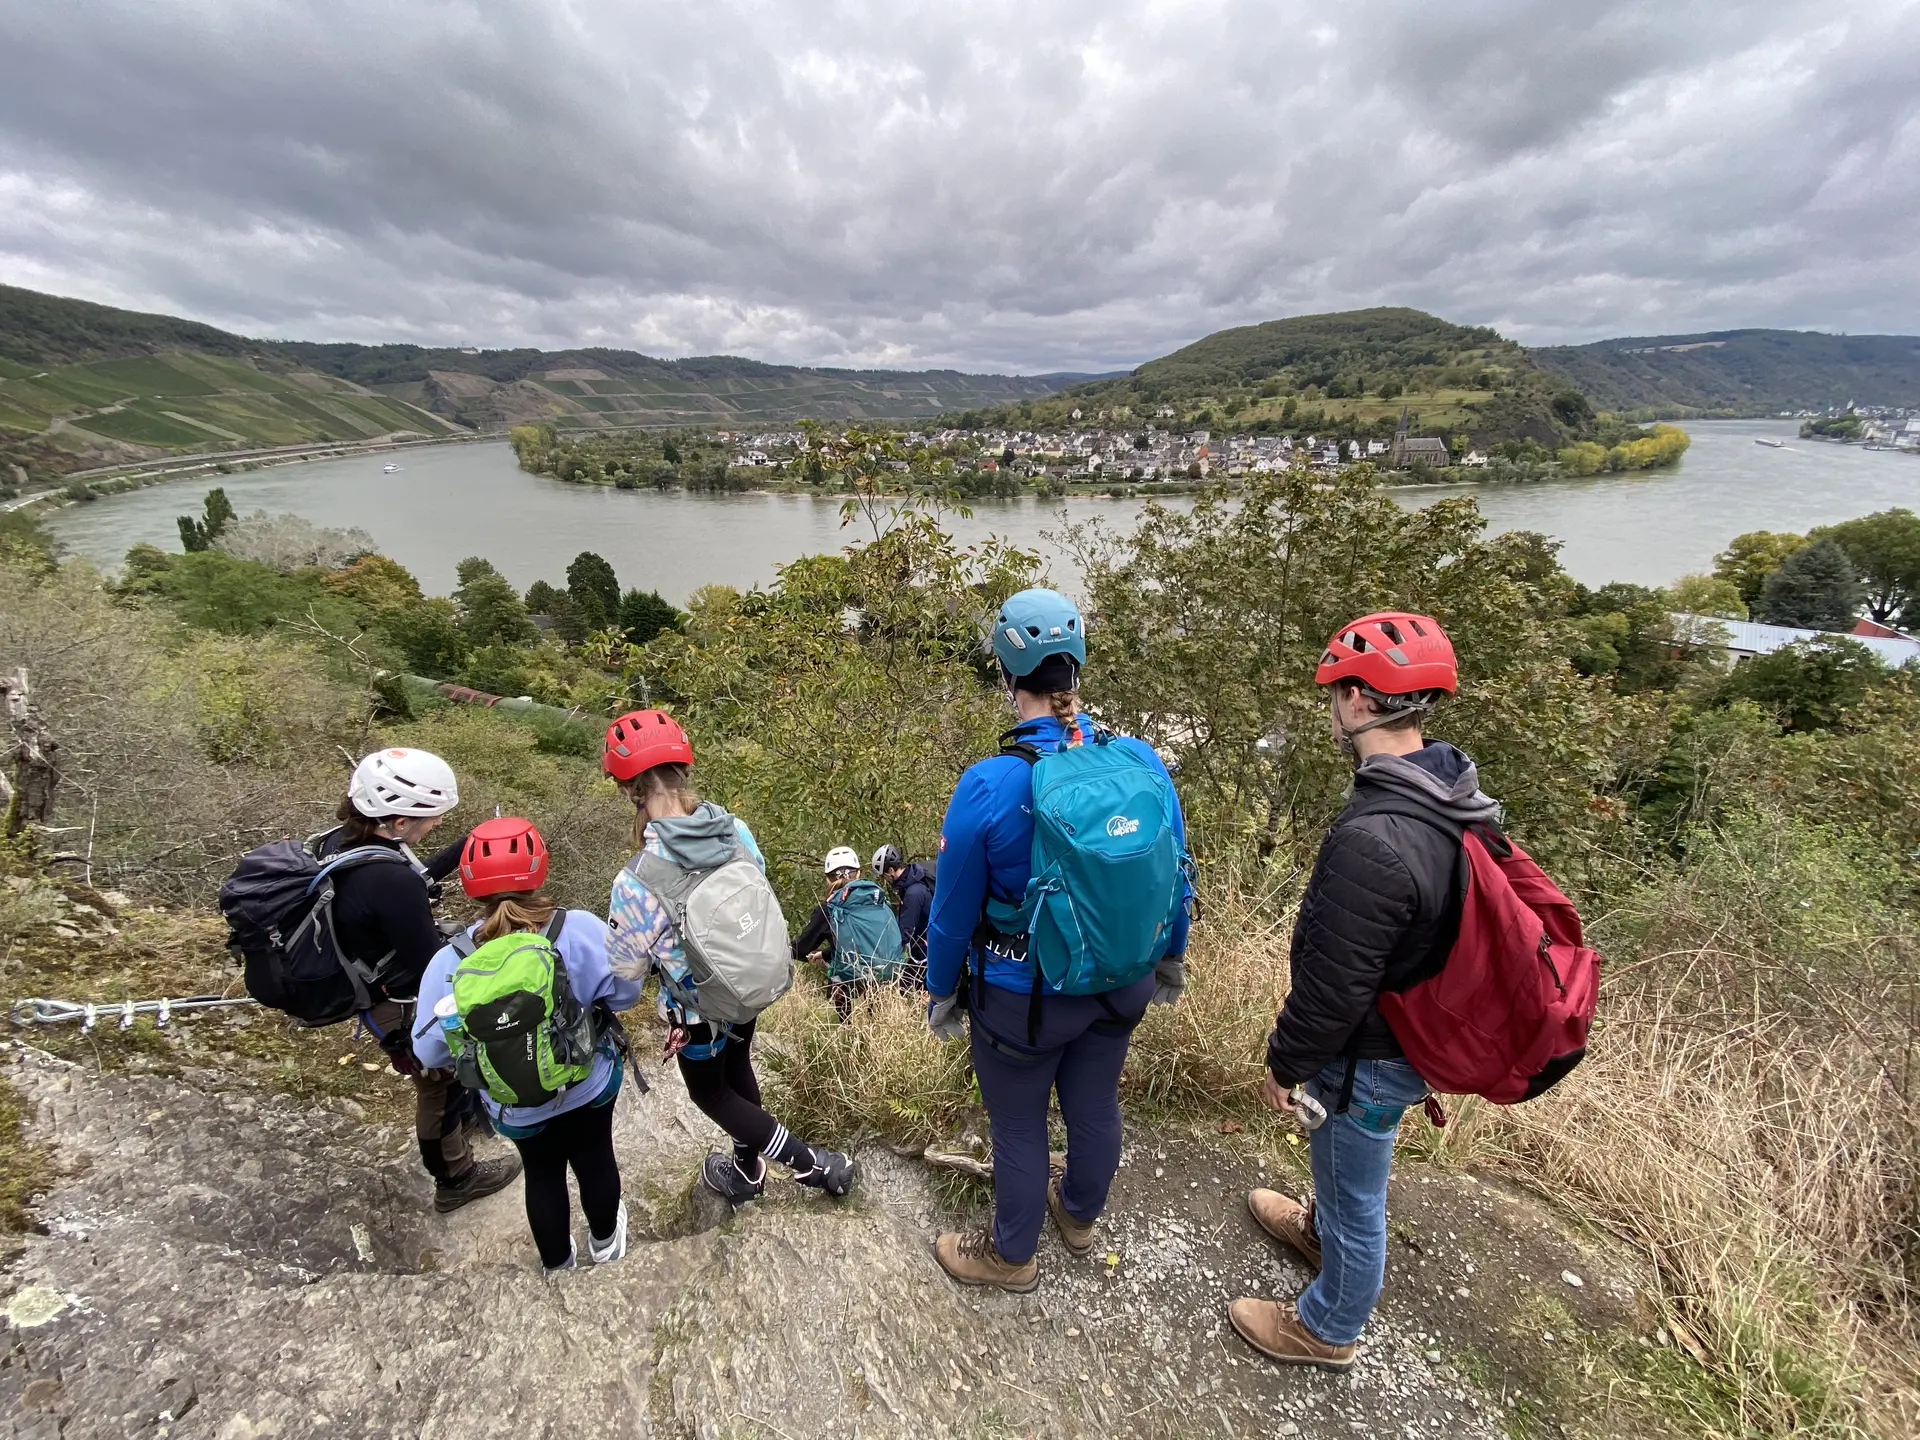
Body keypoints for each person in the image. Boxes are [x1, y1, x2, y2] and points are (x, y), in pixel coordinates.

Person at [1227, 611, 1499, 1370]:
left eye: (1336, 692)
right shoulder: (1449, 796)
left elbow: (1335, 989)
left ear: (1355, 699)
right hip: (1404, 1033)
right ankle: (1318, 1233)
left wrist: (1286, 1062)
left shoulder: (1374, 838)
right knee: (1346, 1167)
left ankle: (1328, 1325)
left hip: (1367, 1054)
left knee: (1357, 1195)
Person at [924, 587, 1190, 1291]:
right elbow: (1175, 874)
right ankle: (1077, 1215)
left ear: (1006, 674)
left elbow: (951, 913)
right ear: (1078, 665)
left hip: (1026, 999)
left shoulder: (990, 783)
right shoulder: (1140, 760)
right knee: (1095, 1102)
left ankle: (1010, 1257)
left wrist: (941, 991)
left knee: (1018, 1125)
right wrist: (1171, 955)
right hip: (1123, 980)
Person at [600, 710, 856, 1205]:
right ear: (684, 769)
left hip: (698, 1012)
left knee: (711, 1093)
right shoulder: (734, 829)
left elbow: (625, 975)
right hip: (748, 983)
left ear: (629, 789)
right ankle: (745, 1165)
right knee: (738, 1067)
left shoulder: (635, 882)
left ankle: (813, 1165)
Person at [411, 817, 642, 1273]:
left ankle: (557, 1265)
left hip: (513, 1103)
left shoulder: (450, 960)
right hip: (587, 1083)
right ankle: (606, 1245)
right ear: (539, 869)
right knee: (595, 1156)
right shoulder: (577, 928)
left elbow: (430, 1052)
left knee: (542, 1173)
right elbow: (626, 994)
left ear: (470, 885)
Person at [328, 747, 520, 1213]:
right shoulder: (389, 881)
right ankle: (455, 1178)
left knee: (446, 1082)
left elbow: (413, 879)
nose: (437, 823)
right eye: (431, 817)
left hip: (370, 977)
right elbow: (431, 963)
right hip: (395, 1000)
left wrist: (467, 846)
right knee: (437, 1084)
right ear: (398, 822)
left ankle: (465, 1120)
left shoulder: (344, 844)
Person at [792, 847, 905, 1020]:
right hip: (889, 970)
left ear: (828, 878)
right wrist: (825, 954)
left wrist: (779, 949)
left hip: (852, 976)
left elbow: (800, 948)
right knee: (874, 998)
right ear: (858, 873)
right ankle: (875, 1026)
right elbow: (865, 942)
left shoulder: (829, 908)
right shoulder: (879, 901)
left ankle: (847, 1028)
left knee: (837, 974)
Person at [872, 844, 934, 988]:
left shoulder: (913, 893)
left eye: (884, 875)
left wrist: (879, 953)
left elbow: (904, 934)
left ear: (891, 871)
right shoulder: (914, 877)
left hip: (925, 954)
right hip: (926, 948)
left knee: (903, 988)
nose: (885, 879)